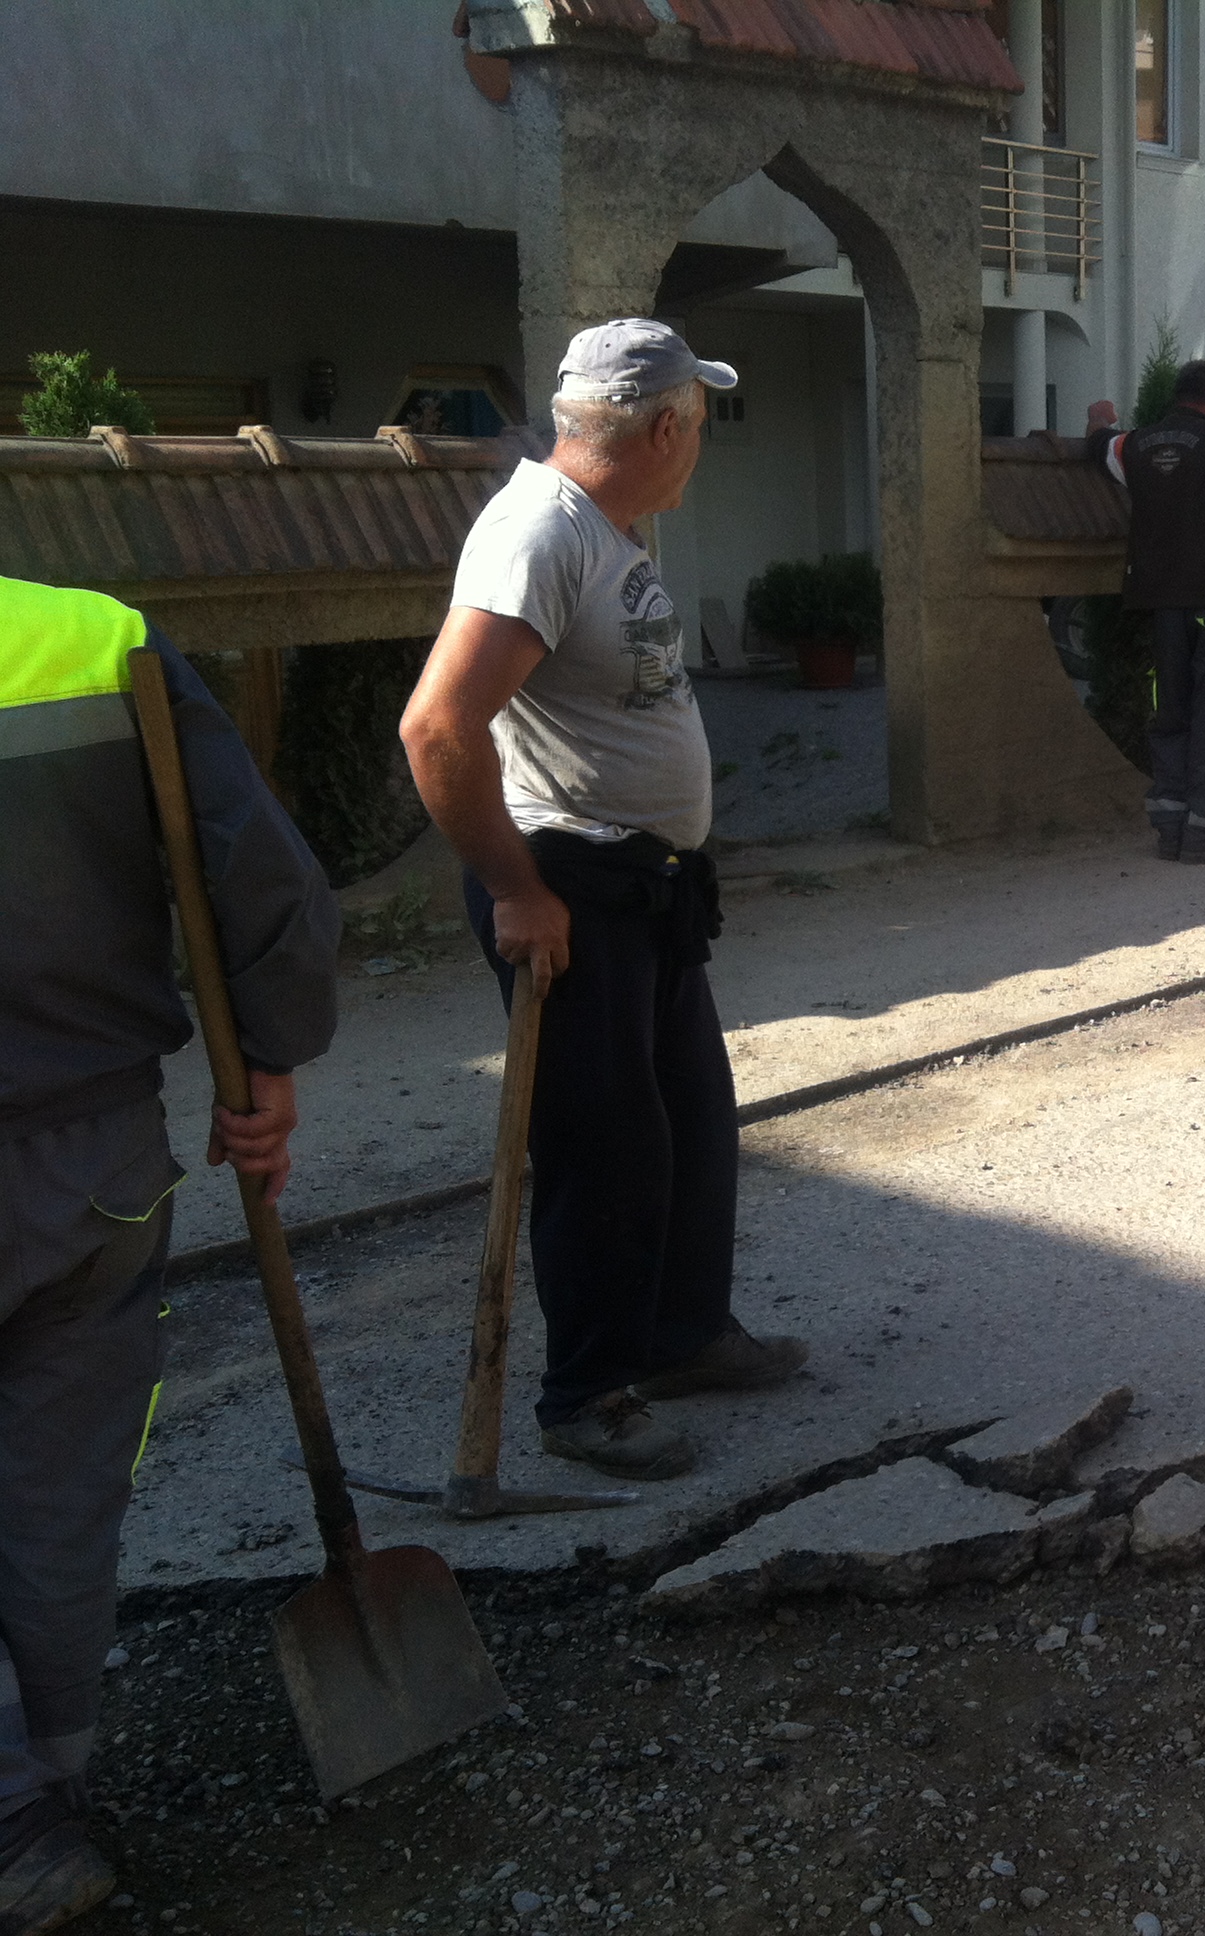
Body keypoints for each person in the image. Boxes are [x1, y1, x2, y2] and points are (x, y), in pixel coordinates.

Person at [400, 319, 805, 1484]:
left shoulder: (607, 529)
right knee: (603, 1146)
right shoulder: (538, 533)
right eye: (703, 421)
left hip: (645, 886)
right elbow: (437, 727)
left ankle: (680, 1338)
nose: (703, 444)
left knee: (686, 1115)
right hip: (568, 885)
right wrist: (514, 889)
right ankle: (585, 1393)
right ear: (667, 424)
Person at [0, 575, 338, 1928]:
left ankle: (14, 1811)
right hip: (91, 1156)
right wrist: (265, 1058)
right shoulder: (90, 638)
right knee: (60, 1481)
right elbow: (256, 874)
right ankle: (44, 1799)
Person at [1083, 359, 1205, 863]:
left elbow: (1101, 447)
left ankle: (1169, 826)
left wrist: (1099, 421)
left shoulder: (1138, 444)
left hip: (1163, 606)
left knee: (1169, 708)